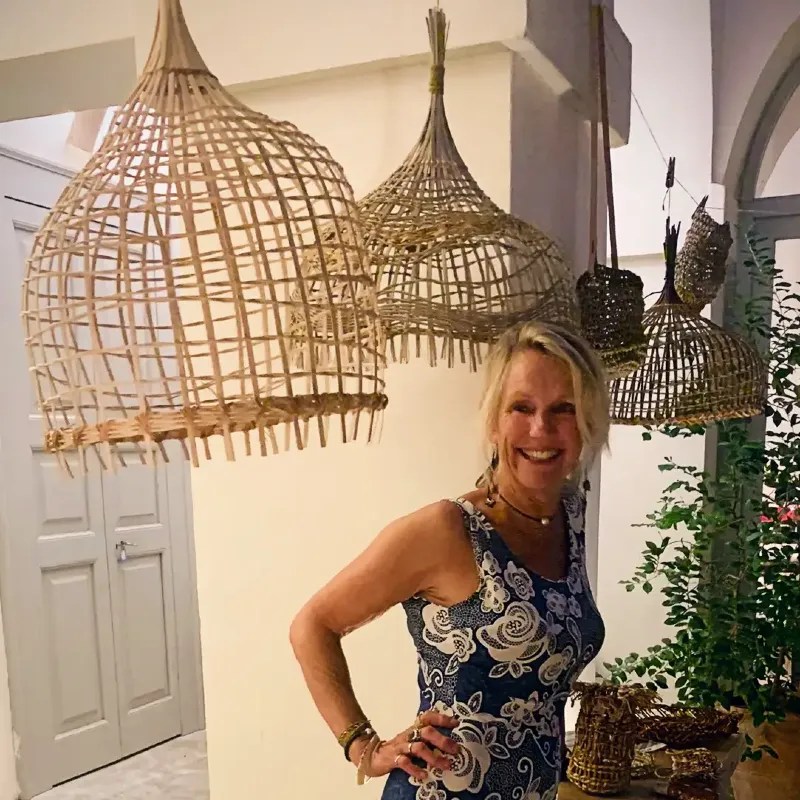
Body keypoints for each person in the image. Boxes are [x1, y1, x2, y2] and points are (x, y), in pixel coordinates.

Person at [290, 321, 610, 800]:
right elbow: (313, 625)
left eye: (563, 409)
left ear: (587, 421)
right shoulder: (449, 530)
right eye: (521, 407)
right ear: (494, 421)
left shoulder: (571, 515)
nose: (541, 429)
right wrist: (362, 746)